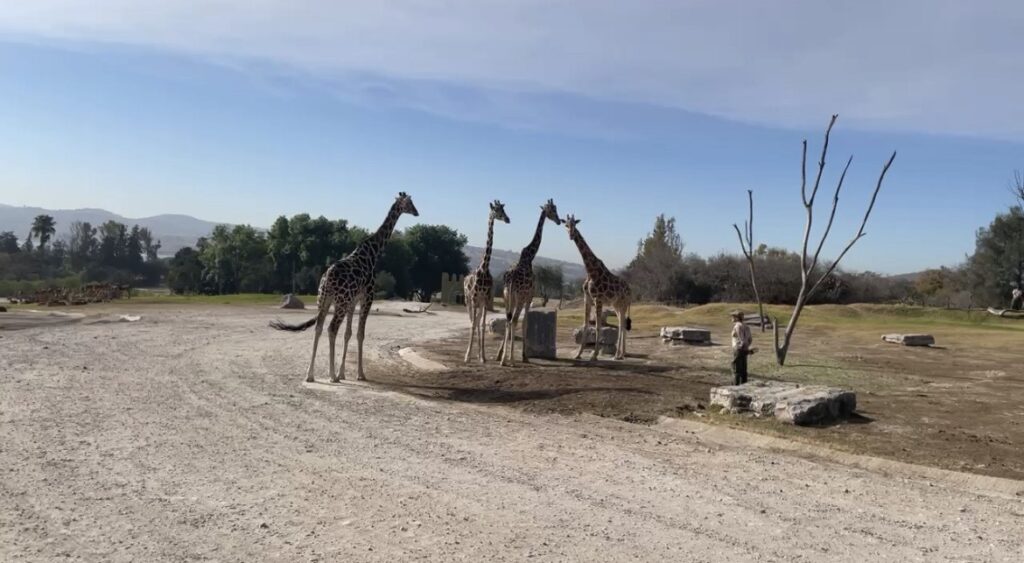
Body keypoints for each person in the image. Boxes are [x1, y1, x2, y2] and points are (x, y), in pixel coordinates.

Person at [730, 310, 753, 385]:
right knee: (743, 370)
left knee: (736, 370)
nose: (732, 318)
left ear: (736, 318)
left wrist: (741, 347)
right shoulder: (746, 326)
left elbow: (742, 339)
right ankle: (744, 387)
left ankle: (735, 388)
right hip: (745, 349)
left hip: (738, 349)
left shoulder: (737, 326)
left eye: (733, 316)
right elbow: (750, 340)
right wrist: (746, 348)